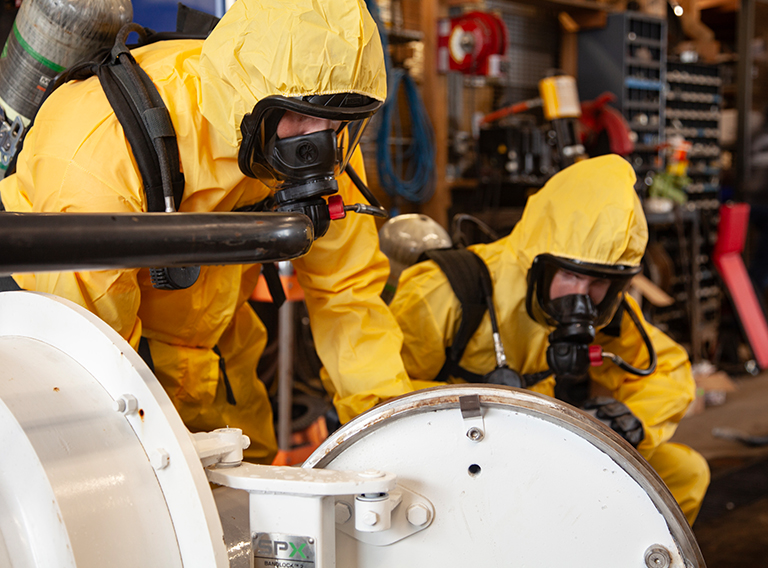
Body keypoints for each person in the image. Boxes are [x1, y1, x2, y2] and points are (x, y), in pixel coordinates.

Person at [0, 0, 415, 463]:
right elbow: (91, 375)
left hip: (218, 363)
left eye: (341, 121)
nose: (318, 141)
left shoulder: (317, 127)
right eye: (303, 116)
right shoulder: (100, 150)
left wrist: (391, 437)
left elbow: (348, 294)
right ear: (250, 97)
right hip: (83, 361)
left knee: (253, 508)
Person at [387, 154, 710, 525]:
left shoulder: (605, 310)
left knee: (683, 473)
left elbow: (667, 368)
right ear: (537, 261)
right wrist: (494, 412)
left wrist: (632, 424)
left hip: (551, 454)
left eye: (599, 282)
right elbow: (382, 401)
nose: (581, 297)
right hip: (456, 469)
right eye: (570, 276)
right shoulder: (446, 292)